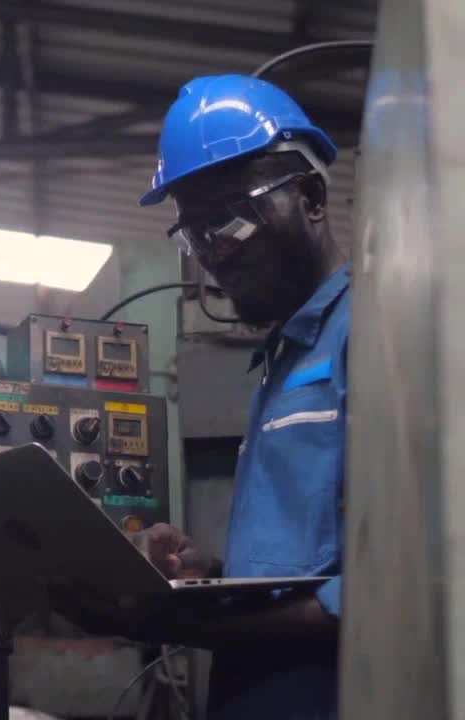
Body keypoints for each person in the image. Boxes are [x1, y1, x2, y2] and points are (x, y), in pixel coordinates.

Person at [78, 74, 348, 720]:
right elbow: (305, 566)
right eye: (195, 234)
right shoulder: (283, 359)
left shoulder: (369, 338)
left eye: (228, 220)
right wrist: (212, 576)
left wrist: (186, 622)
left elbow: (387, 591)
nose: (214, 257)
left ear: (311, 197)